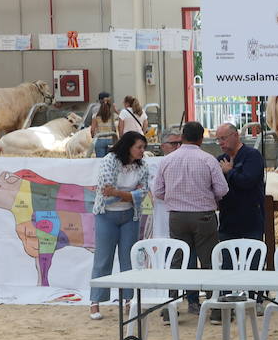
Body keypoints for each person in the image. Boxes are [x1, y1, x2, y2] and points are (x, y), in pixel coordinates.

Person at [151, 121, 227, 314]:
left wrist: (174, 198)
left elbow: (157, 191)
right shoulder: (208, 160)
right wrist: (207, 197)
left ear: (182, 137)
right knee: (208, 260)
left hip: (177, 216)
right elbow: (222, 189)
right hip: (203, 215)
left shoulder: (167, 160)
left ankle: (172, 305)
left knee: (179, 260)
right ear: (201, 139)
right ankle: (215, 308)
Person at [88, 131, 150, 320]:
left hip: (130, 216)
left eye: (143, 147)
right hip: (106, 215)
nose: (142, 151)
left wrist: (119, 193)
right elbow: (106, 193)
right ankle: (95, 301)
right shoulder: (110, 160)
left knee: (129, 259)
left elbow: (143, 193)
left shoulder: (142, 165)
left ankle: (129, 299)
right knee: (103, 259)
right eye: (139, 147)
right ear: (128, 146)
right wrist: (132, 194)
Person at [215, 122, 266, 245]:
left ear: (236, 135)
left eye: (223, 138)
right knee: (228, 256)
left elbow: (247, 181)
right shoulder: (221, 160)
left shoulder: (252, 156)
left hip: (250, 221)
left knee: (252, 256)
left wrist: (229, 172)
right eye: (218, 140)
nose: (220, 143)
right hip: (228, 222)